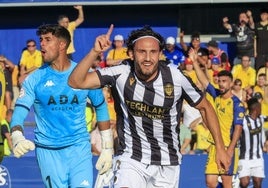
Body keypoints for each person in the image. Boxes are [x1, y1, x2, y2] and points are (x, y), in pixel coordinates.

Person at [68, 24, 231, 188]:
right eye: (141, 52)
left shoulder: (176, 77)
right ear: (131, 53)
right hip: (131, 158)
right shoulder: (120, 72)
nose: (147, 58)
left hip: (167, 162)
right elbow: (76, 81)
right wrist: (94, 52)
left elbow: (205, 107)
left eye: (153, 52)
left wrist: (220, 148)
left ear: (160, 54)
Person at [10, 24, 111, 188]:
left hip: (79, 148)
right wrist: (17, 137)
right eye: (41, 39)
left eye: (48, 40)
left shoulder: (83, 74)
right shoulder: (34, 79)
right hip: (48, 151)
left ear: (62, 45)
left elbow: (100, 106)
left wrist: (107, 148)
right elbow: (19, 112)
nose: (42, 44)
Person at [190, 50, 245, 188]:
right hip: (214, 146)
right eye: (219, 81)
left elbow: (238, 129)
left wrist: (231, 150)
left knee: (227, 184)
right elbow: (204, 80)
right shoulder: (216, 95)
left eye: (224, 81)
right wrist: (195, 61)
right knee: (210, 182)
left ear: (231, 83)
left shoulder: (237, 104)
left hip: (228, 147)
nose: (221, 84)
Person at [238, 97, 266, 188]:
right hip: (244, 158)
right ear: (256, 108)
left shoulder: (261, 118)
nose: (261, 109)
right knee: (244, 183)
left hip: (258, 158)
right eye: (260, 107)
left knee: (258, 183)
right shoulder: (243, 121)